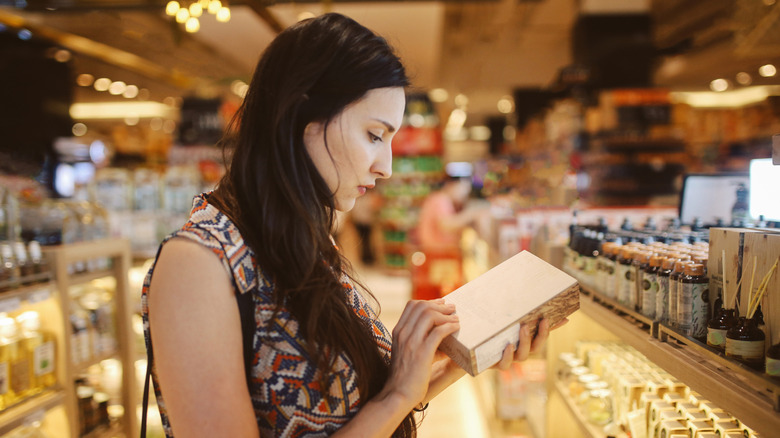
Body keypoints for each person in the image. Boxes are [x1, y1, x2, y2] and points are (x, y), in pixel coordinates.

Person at [142, 13, 551, 438]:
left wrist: (455, 359)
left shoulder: (303, 240)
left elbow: (355, 410)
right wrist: (396, 395)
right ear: (302, 116)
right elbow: (385, 402)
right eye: (375, 135)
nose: (387, 166)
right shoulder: (199, 264)